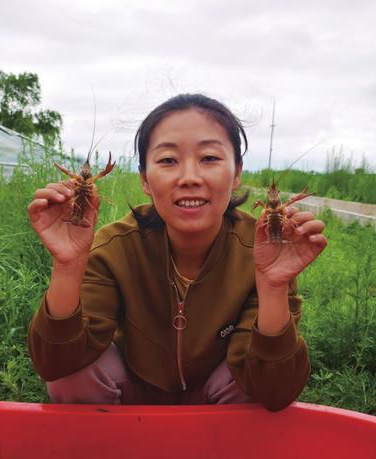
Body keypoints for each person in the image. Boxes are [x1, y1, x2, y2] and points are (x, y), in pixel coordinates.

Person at [27, 94, 327, 411]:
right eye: (168, 160)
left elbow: (277, 390)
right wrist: (68, 264)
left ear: (236, 173)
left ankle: (222, 458)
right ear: (144, 178)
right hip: (134, 400)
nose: (189, 178)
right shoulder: (115, 247)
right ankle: (109, 453)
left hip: (214, 403)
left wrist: (273, 285)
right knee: (74, 374)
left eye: (209, 158)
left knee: (252, 377)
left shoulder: (265, 249)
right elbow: (54, 365)